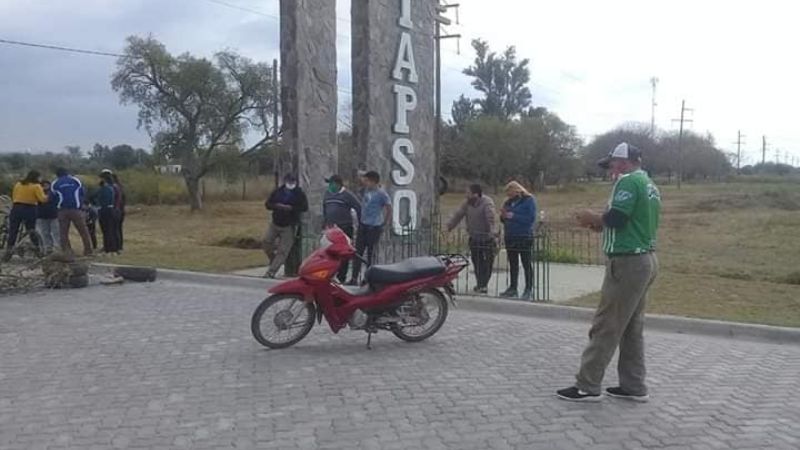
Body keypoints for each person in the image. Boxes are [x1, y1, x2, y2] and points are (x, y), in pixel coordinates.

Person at [557, 142, 661, 403]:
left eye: (612, 164)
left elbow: (617, 218)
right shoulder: (650, 185)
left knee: (606, 325)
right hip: (646, 258)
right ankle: (634, 385)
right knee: (631, 328)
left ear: (624, 163)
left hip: (627, 263)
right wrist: (601, 226)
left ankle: (587, 385)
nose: (610, 170)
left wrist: (594, 218)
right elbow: (629, 222)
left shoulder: (628, 182)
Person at [446, 184, 497, 294]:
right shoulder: (467, 203)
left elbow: (490, 218)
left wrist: (491, 232)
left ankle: (484, 284)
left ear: (476, 194)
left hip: (487, 238)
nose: (466, 195)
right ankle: (480, 283)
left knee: (487, 263)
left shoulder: (487, 202)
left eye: (468, 193)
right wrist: (449, 226)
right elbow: (458, 215)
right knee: (477, 261)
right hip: (474, 237)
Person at [349, 171, 391, 285]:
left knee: (371, 254)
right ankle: (354, 278)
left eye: (367, 180)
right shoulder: (366, 191)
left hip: (374, 227)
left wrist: (384, 223)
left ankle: (368, 279)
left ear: (373, 181)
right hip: (363, 225)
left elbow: (388, 207)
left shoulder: (382, 194)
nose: (365, 182)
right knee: (357, 253)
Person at [263, 174, 308, 278]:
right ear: (285, 181)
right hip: (275, 223)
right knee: (266, 242)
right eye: (289, 181)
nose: (291, 183)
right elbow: (268, 204)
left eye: (293, 181)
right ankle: (274, 260)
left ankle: (271, 272)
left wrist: (291, 208)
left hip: (289, 226)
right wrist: (277, 206)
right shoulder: (278, 191)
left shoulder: (299, 193)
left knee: (283, 251)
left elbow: (304, 207)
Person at [499, 181, 537, 300]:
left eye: (510, 193)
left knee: (526, 263)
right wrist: (503, 216)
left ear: (516, 190)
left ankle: (528, 289)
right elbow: (504, 218)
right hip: (510, 236)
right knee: (513, 264)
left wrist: (513, 216)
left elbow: (530, 218)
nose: (508, 196)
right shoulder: (508, 202)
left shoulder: (528, 200)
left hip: (524, 235)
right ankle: (513, 288)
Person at [322, 174, 362, 283]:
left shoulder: (347, 195)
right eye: (329, 184)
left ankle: (341, 277)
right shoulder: (327, 194)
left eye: (332, 183)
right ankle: (331, 275)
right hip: (331, 229)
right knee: (330, 253)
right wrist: (324, 223)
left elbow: (358, 207)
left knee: (344, 254)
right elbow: (325, 209)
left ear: (339, 184)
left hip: (344, 228)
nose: (330, 186)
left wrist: (360, 224)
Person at [2, 170, 46, 261]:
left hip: (16, 208)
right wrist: (49, 196)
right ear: (36, 177)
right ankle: (38, 250)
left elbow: (14, 196)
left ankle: (8, 252)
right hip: (29, 209)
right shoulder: (36, 186)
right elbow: (42, 199)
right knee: (31, 230)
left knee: (13, 230)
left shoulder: (18, 184)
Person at [51, 168, 93, 257]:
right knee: (83, 231)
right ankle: (88, 250)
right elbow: (82, 192)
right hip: (76, 209)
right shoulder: (75, 180)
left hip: (62, 210)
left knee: (63, 232)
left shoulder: (55, 183)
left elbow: (53, 197)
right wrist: (81, 204)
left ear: (57, 175)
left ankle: (67, 252)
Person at [95, 172, 120, 253]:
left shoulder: (106, 189)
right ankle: (112, 247)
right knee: (111, 230)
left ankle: (109, 248)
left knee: (107, 230)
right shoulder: (112, 188)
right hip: (111, 210)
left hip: (106, 210)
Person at [36, 180, 60, 254]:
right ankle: (48, 248)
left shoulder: (54, 193)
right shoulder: (38, 193)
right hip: (41, 215)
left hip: (54, 215)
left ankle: (58, 248)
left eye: (47, 185)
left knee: (56, 232)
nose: (45, 186)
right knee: (45, 233)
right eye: (43, 185)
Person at [111, 173, 127, 251]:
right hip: (121, 210)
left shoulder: (114, 188)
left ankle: (116, 246)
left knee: (115, 229)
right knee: (119, 229)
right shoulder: (121, 187)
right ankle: (120, 246)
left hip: (117, 210)